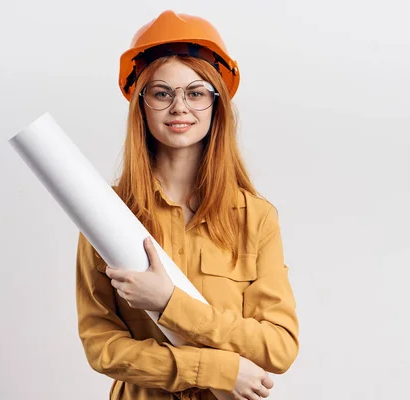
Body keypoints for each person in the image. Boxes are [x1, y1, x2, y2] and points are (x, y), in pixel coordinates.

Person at [75, 10, 299, 400]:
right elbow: (102, 347)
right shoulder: (106, 214)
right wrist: (219, 369)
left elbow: (278, 347)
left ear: (216, 105)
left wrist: (169, 303)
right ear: (142, 106)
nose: (180, 107)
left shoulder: (255, 218)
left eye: (196, 93)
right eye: (162, 93)